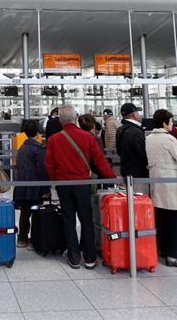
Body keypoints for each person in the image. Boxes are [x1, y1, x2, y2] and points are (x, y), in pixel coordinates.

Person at [45, 105, 116, 269]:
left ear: (61, 121)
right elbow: (100, 161)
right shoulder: (87, 137)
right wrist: (113, 178)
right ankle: (90, 258)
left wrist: (55, 180)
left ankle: (74, 257)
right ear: (75, 118)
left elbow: (49, 164)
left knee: (68, 219)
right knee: (86, 219)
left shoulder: (54, 140)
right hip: (83, 184)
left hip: (64, 184)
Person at [145, 109, 177, 268]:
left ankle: (162, 249)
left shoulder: (148, 138)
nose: (173, 124)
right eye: (171, 121)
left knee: (162, 216)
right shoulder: (169, 139)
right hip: (171, 181)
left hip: (156, 179)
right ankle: (173, 256)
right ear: (164, 123)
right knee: (175, 218)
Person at [13, 120, 49, 250]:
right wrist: (46, 189)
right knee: (36, 214)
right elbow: (42, 171)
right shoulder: (38, 150)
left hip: (22, 187)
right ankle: (34, 240)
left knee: (25, 213)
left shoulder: (22, 148)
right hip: (35, 189)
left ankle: (22, 239)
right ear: (38, 132)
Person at [116, 103, 149, 194]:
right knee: (140, 202)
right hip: (138, 175)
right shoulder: (136, 132)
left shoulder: (120, 130)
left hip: (125, 172)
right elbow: (143, 154)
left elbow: (119, 152)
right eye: (137, 112)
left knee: (130, 201)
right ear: (134, 114)